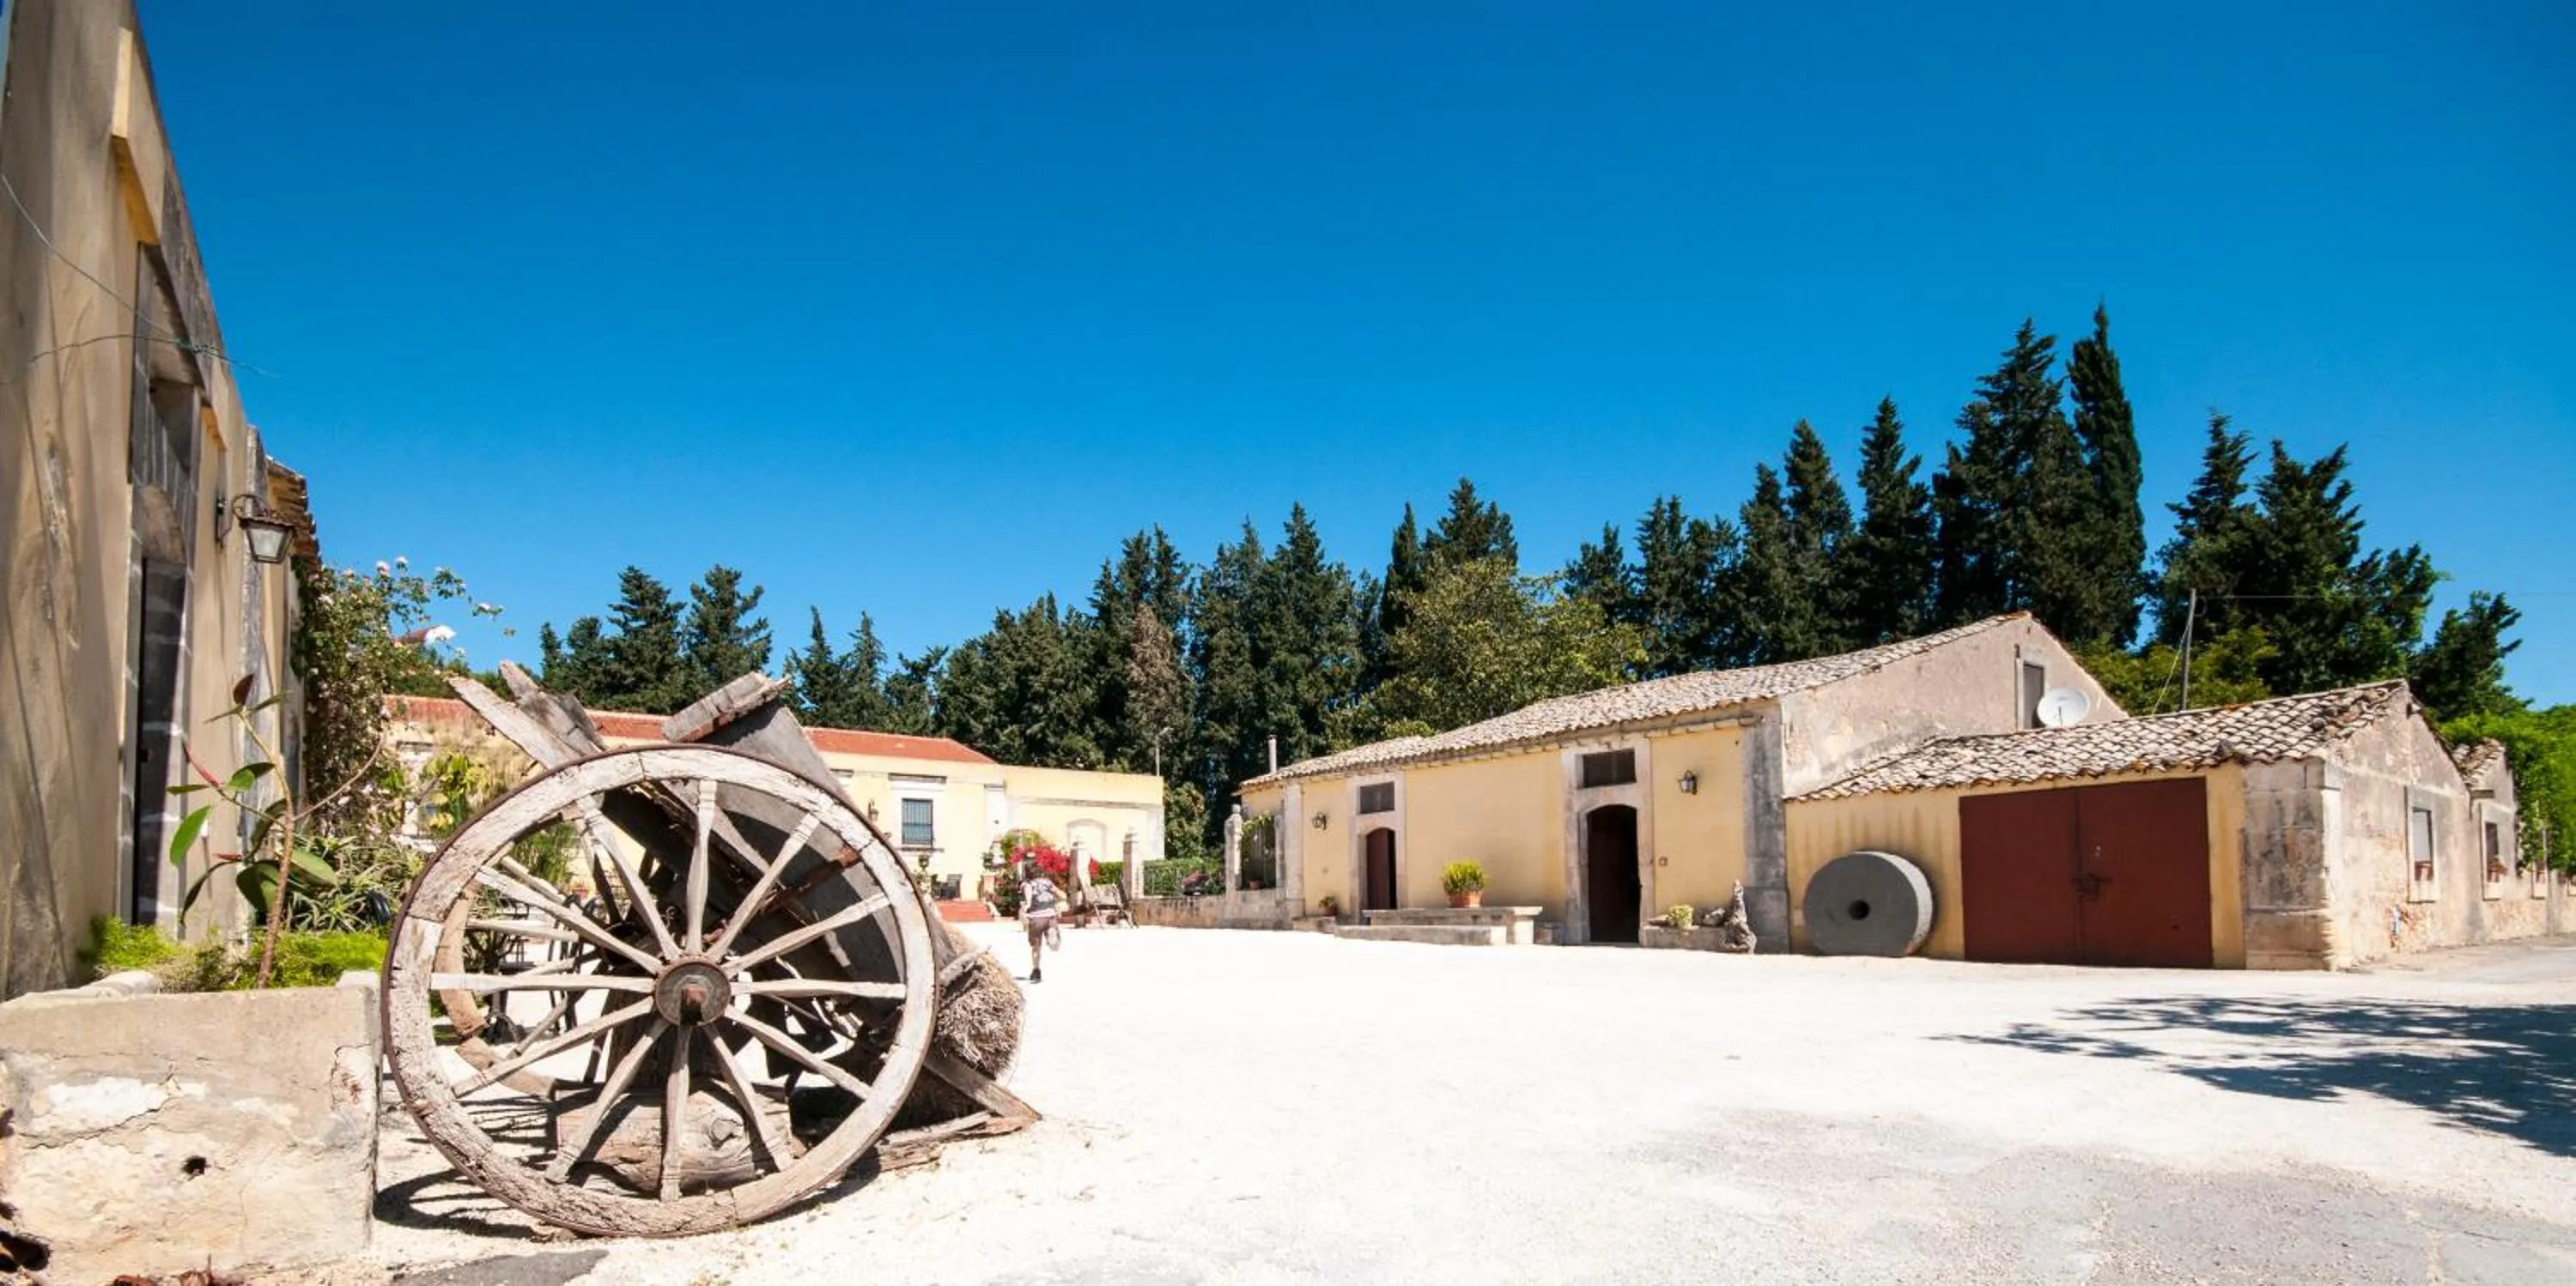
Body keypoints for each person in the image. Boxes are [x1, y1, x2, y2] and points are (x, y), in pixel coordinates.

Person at [1019, 861, 1064, 983]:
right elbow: (1062, 895)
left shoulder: (1027, 885)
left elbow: (1028, 902)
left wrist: (1024, 910)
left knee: (1036, 947)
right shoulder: (1047, 882)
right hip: (1050, 916)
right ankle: (1052, 938)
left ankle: (1036, 970)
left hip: (1036, 918)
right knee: (1054, 943)